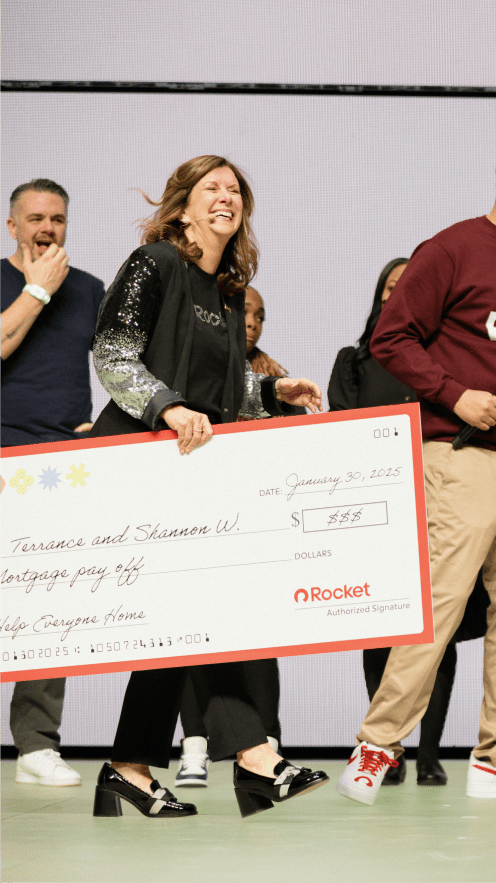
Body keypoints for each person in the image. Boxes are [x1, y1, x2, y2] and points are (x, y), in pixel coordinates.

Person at [336, 138, 496, 805]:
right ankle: (376, 745)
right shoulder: (451, 248)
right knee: (437, 609)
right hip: (459, 456)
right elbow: (390, 336)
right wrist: (453, 392)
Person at [88, 155, 327, 819]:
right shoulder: (155, 262)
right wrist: (164, 404)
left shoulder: (225, 289)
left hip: (193, 470)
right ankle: (255, 759)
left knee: (183, 621)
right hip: (141, 458)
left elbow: (220, 394)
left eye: (235, 190)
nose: (226, 197)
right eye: (211, 188)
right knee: (198, 613)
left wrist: (271, 390)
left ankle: (129, 768)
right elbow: (112, 352)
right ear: (183, 206)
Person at [329, 257, 490, 787]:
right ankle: (386, 748)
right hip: (376, 515)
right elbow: (344, 434)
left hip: (439, 506)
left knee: (435, 630)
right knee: (381, 630)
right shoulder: (352, 362)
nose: (399, 295)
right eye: (391, 287)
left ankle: (429, 753)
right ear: (379, 297)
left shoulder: (445, 368)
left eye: (408, 288)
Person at [1, 178, 105, 789]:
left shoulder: (90, 289)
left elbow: (118, 365)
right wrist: (38, 289)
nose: (48, 228)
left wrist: (99, 426)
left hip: (56, 468)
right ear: (12, 225)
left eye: (58, 219)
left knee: (49, 605)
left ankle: (36, 745)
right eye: (36, 218)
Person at [173, 285, 292, 788]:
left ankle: (267, 741)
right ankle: (194, 745)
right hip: (195, 513)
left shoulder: (275, 379)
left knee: (259, 637)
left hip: (254, 519)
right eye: (243, 313)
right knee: (189, 633)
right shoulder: (188, 369)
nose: (251, 323)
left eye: (259, 316)